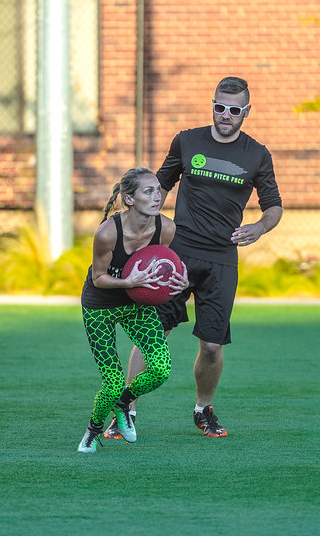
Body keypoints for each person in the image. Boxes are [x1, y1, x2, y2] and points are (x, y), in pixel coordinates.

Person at [112, 76, 283, 439]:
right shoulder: (187, 140)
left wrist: (259, 227)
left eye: (234, 109)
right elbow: (158, 184)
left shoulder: (257, 154)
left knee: (210, 346)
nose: (225, 114)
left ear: (246, 112)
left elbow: (274, 207)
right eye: (219, 107)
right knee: (153, 332)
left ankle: (203, 409)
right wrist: (142, 223)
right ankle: (126, 409)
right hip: (179, 252)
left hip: (222, 258)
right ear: (213, 105)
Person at [77, 167, 188, 453]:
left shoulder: (166, 227)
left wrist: (177, 281)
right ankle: (93, 430)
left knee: (161, 369)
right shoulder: (107, 233)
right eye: (148, 191)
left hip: (136, 305)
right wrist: (128, 281)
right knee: (112, 383)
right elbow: (99, 278)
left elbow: (162, 267)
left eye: (158, 190)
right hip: (100, 306)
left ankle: (124, 404)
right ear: (129, 199)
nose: (157, 197)